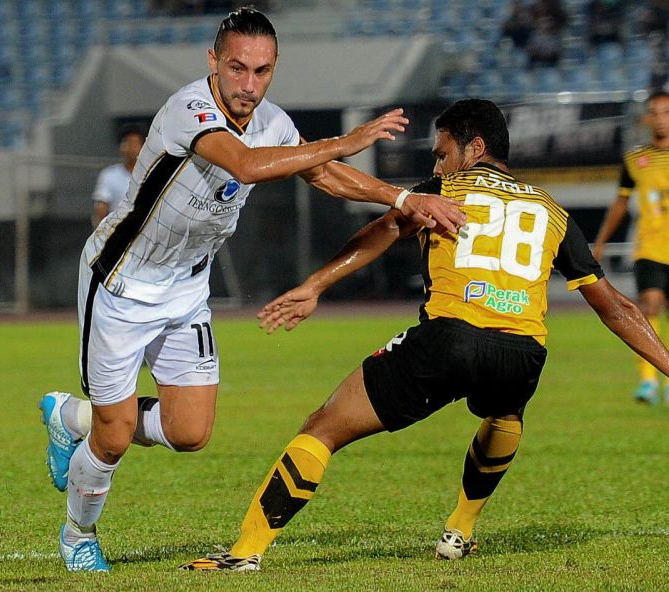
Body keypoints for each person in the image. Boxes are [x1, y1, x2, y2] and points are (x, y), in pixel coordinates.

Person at [37, 7, 465, 573]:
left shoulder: (274, 122)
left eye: (262, 72)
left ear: (274, 68)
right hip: (120, 282)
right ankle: (77, 534)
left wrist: (403, 200)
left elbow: (325, 176)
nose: (249, 84)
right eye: (237, 68)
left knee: (190, 432)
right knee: (114, 439)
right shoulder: (191, 110)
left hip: (186, 288)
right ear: (213, 61)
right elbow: (246, 165)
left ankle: (72, 415)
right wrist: (346, 139)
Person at [180, 98, 669, 571]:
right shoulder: (551, 210)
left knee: (323, 428)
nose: (437, 167)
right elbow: (616, 307)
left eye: (441, 153)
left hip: (448, 339)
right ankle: (460, 531)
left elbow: (386, 229)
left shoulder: (444, 192)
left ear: (473, 149)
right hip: (522, 354)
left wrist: (314, 285)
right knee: (505, 410)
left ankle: (245, 552)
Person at [593, 91, 669, 405]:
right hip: (650, 247)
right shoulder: (636, 159)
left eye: (667, 112)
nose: (661, 118)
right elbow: (621, 203)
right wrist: (600, 241)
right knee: (649, 305)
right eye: (656, 112)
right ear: (647, 118)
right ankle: (649, 382)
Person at [90, 124, 145, 228]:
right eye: (126, 142)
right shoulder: (109, 175)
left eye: (135, 143)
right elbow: (100, 210)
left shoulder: (154, 174)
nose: (131, 148)